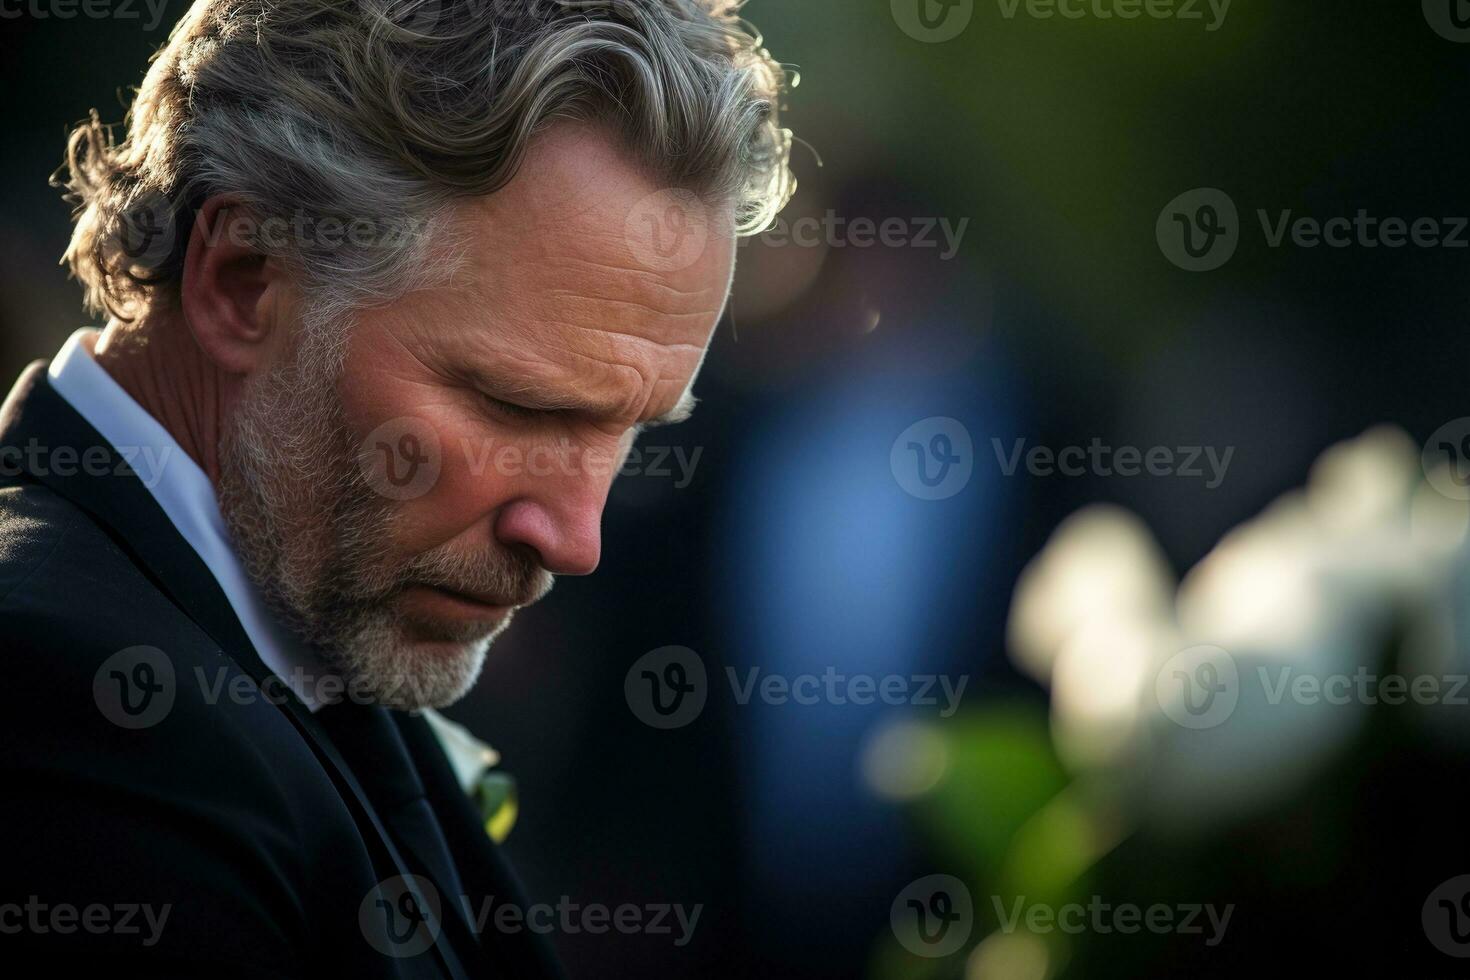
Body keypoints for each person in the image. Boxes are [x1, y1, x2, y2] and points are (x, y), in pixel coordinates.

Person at [0, 1, 793, 974]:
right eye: (515, 407)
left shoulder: (271, 630)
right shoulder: (68, 699)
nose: (576, 538)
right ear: (242, 279)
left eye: (623, 430)